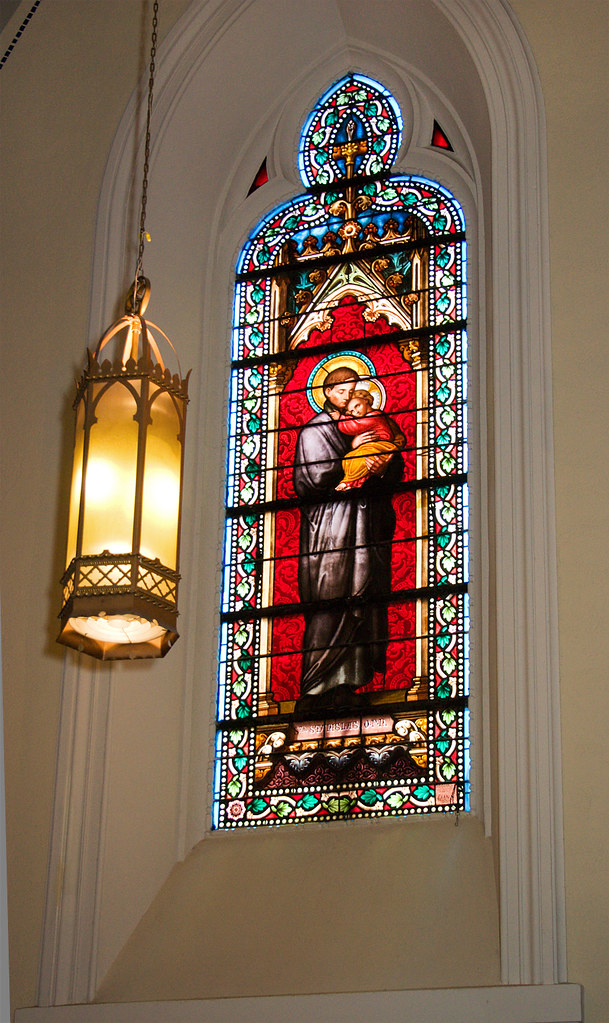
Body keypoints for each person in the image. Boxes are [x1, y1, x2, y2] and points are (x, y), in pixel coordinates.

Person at [292, 366, 403, 712]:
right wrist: (349, 454)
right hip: (329, 532)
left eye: (353, 389)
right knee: (331, 599)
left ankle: (350, 685)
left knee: (363, 599)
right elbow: (309, 481)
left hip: (366, 525)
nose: (348, 397)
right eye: (341, 391)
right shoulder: (315, 431)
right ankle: (315, 688)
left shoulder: (370, 421)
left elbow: (394, 468)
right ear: (326, 393)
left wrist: (383, 465)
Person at [335, 389, 405, 491]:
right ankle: (351, 482)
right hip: (366, 449)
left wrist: (384, 470)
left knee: (361, 459)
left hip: (381, 448)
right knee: (348, 458)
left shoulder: (374, 417)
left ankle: (348, 482)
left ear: (366, 400)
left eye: (357, 406)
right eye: (352, 412)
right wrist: (355, 444)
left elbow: (398, 449)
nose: (356, 412)